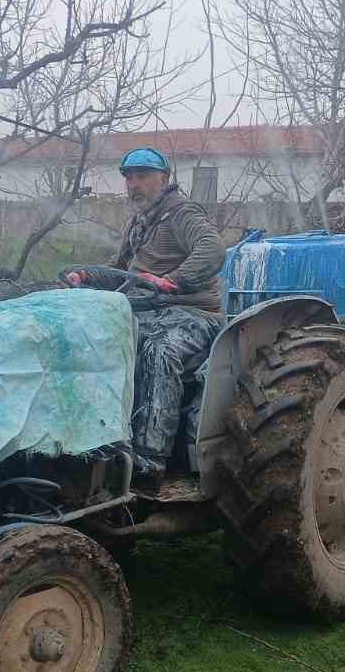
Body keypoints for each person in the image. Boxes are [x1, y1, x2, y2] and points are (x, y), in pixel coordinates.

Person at [64, 147, 225, 481]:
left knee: (158, 350)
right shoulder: (139, 222)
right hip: (150, 311)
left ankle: (150, 462)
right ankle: (95, 443)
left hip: (193, 312)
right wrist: (86, 276)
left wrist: (173, 280)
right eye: (129, 178)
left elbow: (212, 249)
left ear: (163, 179)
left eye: (142, 176)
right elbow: (123, 272)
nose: (134, 184)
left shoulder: (182, 213)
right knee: (91, 338)